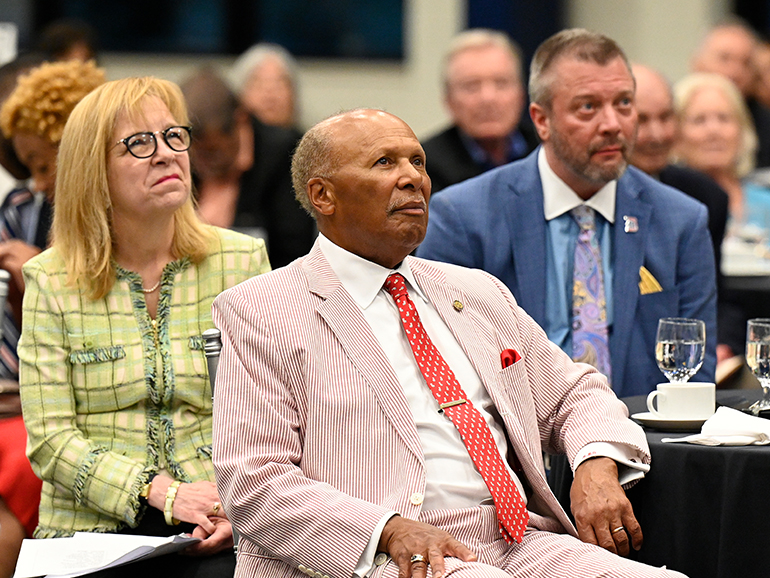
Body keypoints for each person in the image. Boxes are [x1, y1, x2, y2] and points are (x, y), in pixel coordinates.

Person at [211, 108, 687, 578]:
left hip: (517, 541)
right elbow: (252, 480)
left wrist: (595, 462)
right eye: (384, 163)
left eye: (417, 162)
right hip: (380, 556)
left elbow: (574, 392)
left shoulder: (476, 291)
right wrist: (388, 529)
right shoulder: (262, 310)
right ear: (324, 195)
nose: (412, 179)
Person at [18, 76, 270, 577]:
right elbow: (50, 440)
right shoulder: (51, 279)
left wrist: (235, 506)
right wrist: (163, 493)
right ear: (94, 172)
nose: (166, 154)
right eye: (138, 144)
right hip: (89, 532)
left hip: (218, 520)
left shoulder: (242, 261)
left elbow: (272, 411)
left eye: (174, 136)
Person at [418, 29, 717, 397]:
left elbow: (695, 382)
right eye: (587, 107)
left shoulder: (681, 221)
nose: (612, 124)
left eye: (624, 103)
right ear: (541, 120)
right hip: (517, 446)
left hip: (644, 445)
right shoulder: (463, 218)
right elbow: (442, 371)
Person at [0, 58, 105, 380]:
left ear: (79, 151)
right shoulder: (22, 213)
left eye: (44, 167)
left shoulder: (125, 227)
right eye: (30, 169)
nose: (39, 184)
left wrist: (39, 277)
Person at [629, 64, 739, 365]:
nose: (656, 134)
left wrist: (722, 345)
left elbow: (714, 297)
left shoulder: (705, 197)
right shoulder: (591, 197)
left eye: (666, 118)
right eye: (642, 120)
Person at [181, 67, 314, 268]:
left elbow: (294, 253)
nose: (202, 164)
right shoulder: (180, 156)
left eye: (212, 152)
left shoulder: (286, 154)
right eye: (194, 153)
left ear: (240, 120)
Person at [421, 29, 539, 193]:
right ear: (448, 101)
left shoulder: (549, 151)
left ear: (521, 94)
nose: (488, 98)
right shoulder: (423, 166)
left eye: (501, 83)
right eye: (471, 86)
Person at [691, 20, 770, 168]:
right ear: (697, 63)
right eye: (725, 59)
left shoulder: (766, 126)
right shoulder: (669, 113)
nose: (735, 72)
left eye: (746, 63)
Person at [229, 43, 298, 129]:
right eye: (259, 84)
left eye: (279, 85)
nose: (270, 95)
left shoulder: (310, 141)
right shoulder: (221, 141)